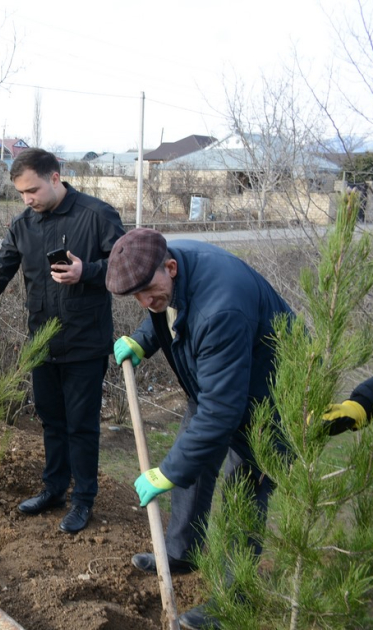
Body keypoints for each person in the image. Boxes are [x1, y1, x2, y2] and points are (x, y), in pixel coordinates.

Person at [106, 228, 294, 630]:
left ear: (170, 267)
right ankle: (181, 551)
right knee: (192, 462)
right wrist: (142, 340)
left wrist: (168, 472)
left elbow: (222, 410)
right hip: (217, 384)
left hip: (273, 396)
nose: (145, 302)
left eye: (147, 291)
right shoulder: (169, 270)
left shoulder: (221, 307)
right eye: (135, 295)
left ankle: (233, 600)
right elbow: (168, 312)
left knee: (244, 490)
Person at [0, 148, 125, 534]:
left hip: (84, 344)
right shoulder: (23, 225)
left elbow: (127, 267)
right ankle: (54, 489)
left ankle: (83, 500)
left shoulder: (96, 215)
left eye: (33, 190)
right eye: (22, 193)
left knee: (82, 426)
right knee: (52, 422)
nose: (28, 199)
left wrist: (86, 270)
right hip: (41, 343)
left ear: (55, 178)